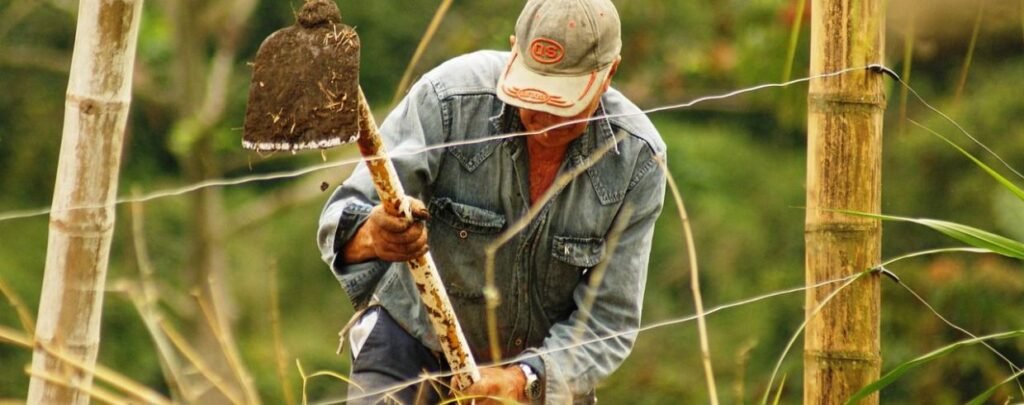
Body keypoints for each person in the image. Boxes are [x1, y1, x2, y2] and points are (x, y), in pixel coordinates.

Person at [317, 0, 666, 403]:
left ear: (609, 74)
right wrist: (374, 236)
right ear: (514, 50)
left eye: (562, 101)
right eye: (532, 94)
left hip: (536, 380)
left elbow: (609, 321)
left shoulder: (638, 158)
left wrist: (522, 381)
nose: (540, 115)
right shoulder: (449, 98)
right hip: (409, 347)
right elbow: (339, 219)